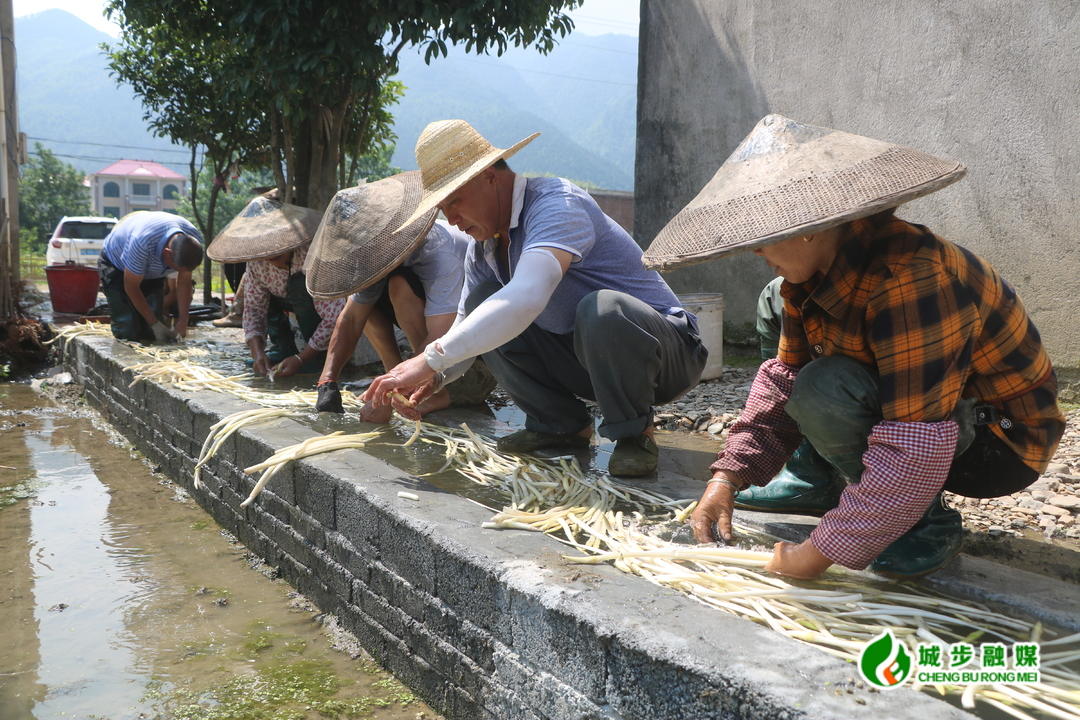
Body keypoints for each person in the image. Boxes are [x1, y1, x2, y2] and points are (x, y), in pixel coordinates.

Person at [643, 114, 1065, 579]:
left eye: (763, 240)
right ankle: (824, 484)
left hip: (1000, 441)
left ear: (808, 227)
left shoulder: (910, 277)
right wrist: (727, 478)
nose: (756, 252)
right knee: (803, 377)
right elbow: (781, 388)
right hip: (932, 422)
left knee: (826, 388)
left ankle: (922, 524)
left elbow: (916, 440)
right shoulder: (805, 281)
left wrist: (819, 553)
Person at [364, 120, 708, 477]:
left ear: (490, 177)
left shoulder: (557, 204)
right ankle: (559, 424)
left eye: (455, 202)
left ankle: (634, 433)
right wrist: (432, 377)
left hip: (667, 354)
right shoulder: (484, 250)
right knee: (486, 301)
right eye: (442, 211)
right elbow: (466, 323)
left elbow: (528, 293)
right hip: (585, 357)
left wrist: (432, 359)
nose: (452, 221)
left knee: (602, 308)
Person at [305, 172, 495, 421]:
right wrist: (327, 380)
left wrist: (390, 391)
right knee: (368, 306)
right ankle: (399, 379)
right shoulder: (373, 258)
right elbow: (351, 320)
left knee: (399, 287)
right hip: (433, 345)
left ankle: (424, 388)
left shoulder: (440, 253)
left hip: (471, 352)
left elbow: (443, 333)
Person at [206, 193, 345, 379]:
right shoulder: (257, 263)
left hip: (313, 303)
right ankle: (283, 350)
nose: (272, 262)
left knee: (299, 288)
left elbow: (334, 317)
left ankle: (316, 356)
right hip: (282, 299)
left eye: (277, 256)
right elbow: (254, 309)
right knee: (262, 297)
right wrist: (257, 354)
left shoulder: (310, 254)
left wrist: (302, 358)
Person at [99, 211, 204, 342]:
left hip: (152, 271)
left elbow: (184, 282)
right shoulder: (141, 242)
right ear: (167, 253)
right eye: (176, 268)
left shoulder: (192, 240)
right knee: (129, 330)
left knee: (150, 333)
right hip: (117, 266)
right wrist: (154, 323)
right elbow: (131, 286)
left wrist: (183, 320)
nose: (177, 272)